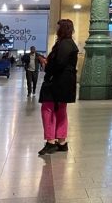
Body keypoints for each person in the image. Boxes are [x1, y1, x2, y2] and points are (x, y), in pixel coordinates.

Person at [38, 19, 79, 156]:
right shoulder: (70, 44)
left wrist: (47, 65)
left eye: (58, 28)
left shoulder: (63, 44)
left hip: (57, 82)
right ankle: (61, 141)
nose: (56, 30)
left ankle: (50, 141)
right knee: (61, 110)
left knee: (47, 109)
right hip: (66, 83)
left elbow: (59, 63)